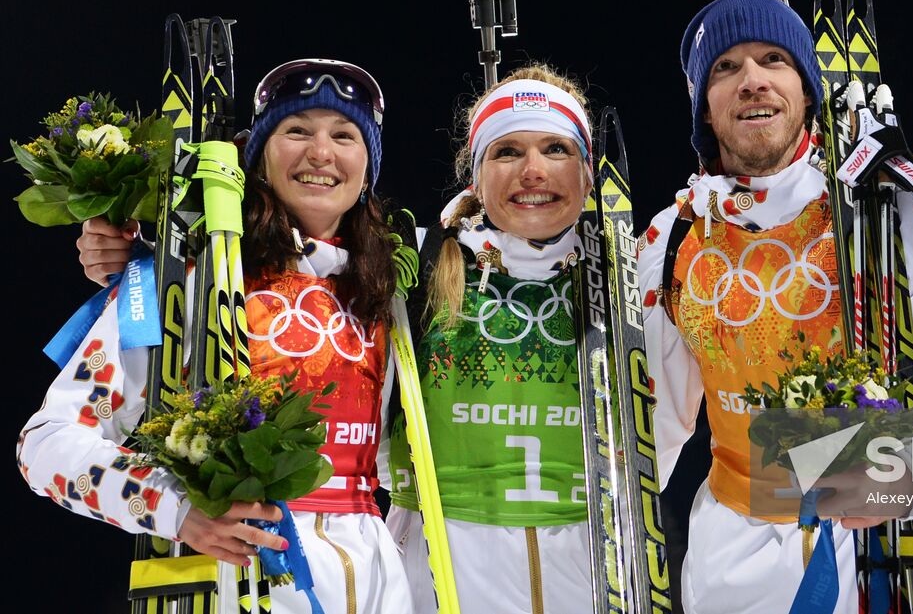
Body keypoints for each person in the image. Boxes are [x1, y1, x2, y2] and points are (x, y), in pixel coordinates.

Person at [638, 0, 913, 614]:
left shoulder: (894, 205)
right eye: (726, 67)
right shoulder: (673, 238)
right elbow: (647, 433)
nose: (752, 81)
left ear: (806, 90)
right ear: (704, 110)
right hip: (732, 569)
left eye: (775, 60)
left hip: (891, 556)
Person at [22, 58, 413, 613]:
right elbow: (44, 444)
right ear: (256, 157)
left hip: (378, 576)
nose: (321, 153)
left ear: (368, 166)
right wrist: (174, 507)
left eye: (345, 136)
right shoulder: (185, 281)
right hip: (240, 573)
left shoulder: (393, 285)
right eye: (296, 130)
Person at [384, 64, 597, 614]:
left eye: (555, 148)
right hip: (442, 564)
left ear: (588, 172)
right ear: (475, 178)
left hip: (590, 563)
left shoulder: (626, 274)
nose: (532, 171)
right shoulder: (419, 266)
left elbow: (663, 426)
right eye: (506, 152)